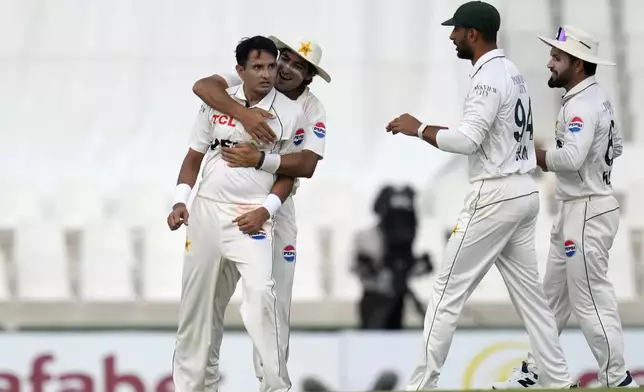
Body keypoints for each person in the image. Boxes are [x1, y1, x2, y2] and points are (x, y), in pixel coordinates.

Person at [384, 1, 575, 389]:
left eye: (456, 30)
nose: (452, 36)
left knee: (445, 292)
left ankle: (422, 384)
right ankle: (558, 378)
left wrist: (418, 128)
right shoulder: (512, 71)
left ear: (473, 34)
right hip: (523, 191)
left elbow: (468, 141)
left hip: (496, 193)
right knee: (531, 298)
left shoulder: (487, 77)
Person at [493, 25, 638, 389]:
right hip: (577, 207)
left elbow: (572, 158)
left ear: (577, 63)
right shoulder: (596, 98)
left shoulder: (582, 105)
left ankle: (616, 378)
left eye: (557, 57)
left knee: (590, 299)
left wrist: (531, 155)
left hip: (587, 210)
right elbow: (615, 146)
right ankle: (538, 370)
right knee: (552, 298)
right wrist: (595, 171)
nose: (549, 62)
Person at [167, 35, 308, 392]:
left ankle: (276, 386)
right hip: (206, 215)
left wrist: (265, 210)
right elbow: (193, 158)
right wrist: (180, 200)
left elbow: (289, 174)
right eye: (257, 67)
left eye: (271, 67)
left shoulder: (292, 114)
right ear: (240, 71)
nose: (266, 74)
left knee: (262, 297)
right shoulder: (218, 103)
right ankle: (194, 387)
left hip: (251, 220)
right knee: (198, 311)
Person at [352, 185, 432, 329]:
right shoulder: (366, 237)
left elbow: (425, 266)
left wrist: (409, 269)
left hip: (399, 300)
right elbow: (358, 267)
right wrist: (379, 274)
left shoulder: (415, 237)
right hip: (374, 300)